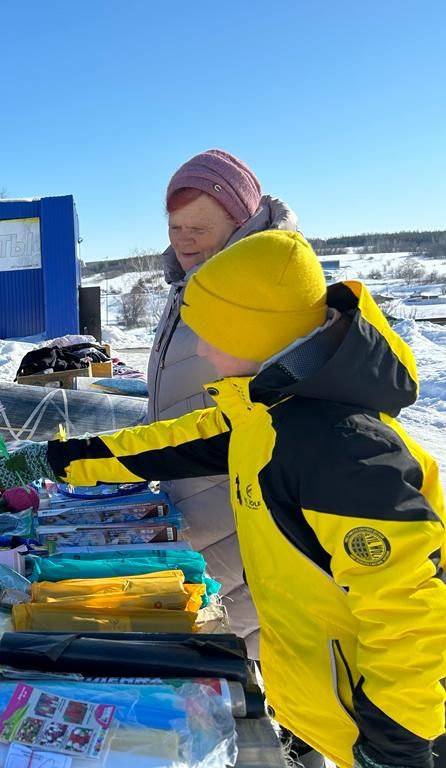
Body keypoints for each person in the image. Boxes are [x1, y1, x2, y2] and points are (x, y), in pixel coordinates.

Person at [4, 231, 446, 767]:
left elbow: (410, 611)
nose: (203, 349)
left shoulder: (342, 447)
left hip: (402, 735)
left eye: (210, 334)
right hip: (339, 716)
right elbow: (166, 444)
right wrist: (57, 459)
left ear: (253, 332)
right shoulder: (266, 413)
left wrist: (399, 749)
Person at [146, 149, 300, 654]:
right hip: (194, 504)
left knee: (259, 653)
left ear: (241, 221)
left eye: (200, 226)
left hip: (243, 513)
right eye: (175, 227)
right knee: (229, 654)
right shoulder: (192, 285)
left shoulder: (264, 289)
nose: (184, 239)